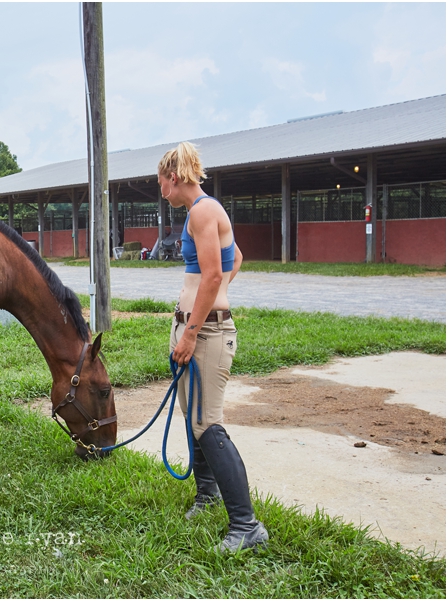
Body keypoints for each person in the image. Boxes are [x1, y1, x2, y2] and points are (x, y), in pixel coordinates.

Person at [157, 141, 268, 552]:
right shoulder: (200, 212)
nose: (161, 191)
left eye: (161, 182)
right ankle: (207, 496)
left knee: (207, 423)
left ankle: (247, 526)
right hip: (196, 326)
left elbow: (210, 276)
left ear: (174, 176)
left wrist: (192, 329)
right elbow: (234, 257)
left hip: (205, 334)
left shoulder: (203, 210)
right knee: (192, 417)